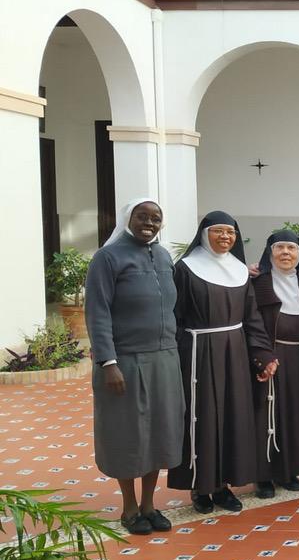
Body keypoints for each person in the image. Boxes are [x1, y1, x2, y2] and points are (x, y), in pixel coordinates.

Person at [84, 198, 185, 534]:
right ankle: (129, 507)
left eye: (155, 218)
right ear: (128, 218)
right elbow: (97, 312)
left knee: (159, 432)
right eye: (142, 217)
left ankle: (149, 505)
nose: (149, 223)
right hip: (124, 360)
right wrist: (107, 362)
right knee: (127, 433)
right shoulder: (107, 257)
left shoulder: (164, 256)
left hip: (164, 359)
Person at [167, 211, 277, 512]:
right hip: (198, 353)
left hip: (235, 353)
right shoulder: (186, 269)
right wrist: (178, 354)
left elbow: (251, 317)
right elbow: (174, 316)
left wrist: (263, 354)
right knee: (202, 417)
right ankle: (200, 487)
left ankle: (223, 486)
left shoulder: (239, 270)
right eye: (219, 231)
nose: (226, 237)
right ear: (204, 234)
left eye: (231, 232)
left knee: (232, 416)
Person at [251, 230, 299, 499]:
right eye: (279, 247)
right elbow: (251, 322)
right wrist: (263, 357)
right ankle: (263, 476)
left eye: (291, 248)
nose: (285, 253)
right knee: (267, 412)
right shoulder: (259, 282)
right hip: (271, 355)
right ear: (270, 252)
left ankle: (289, 471)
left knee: (295, 413)